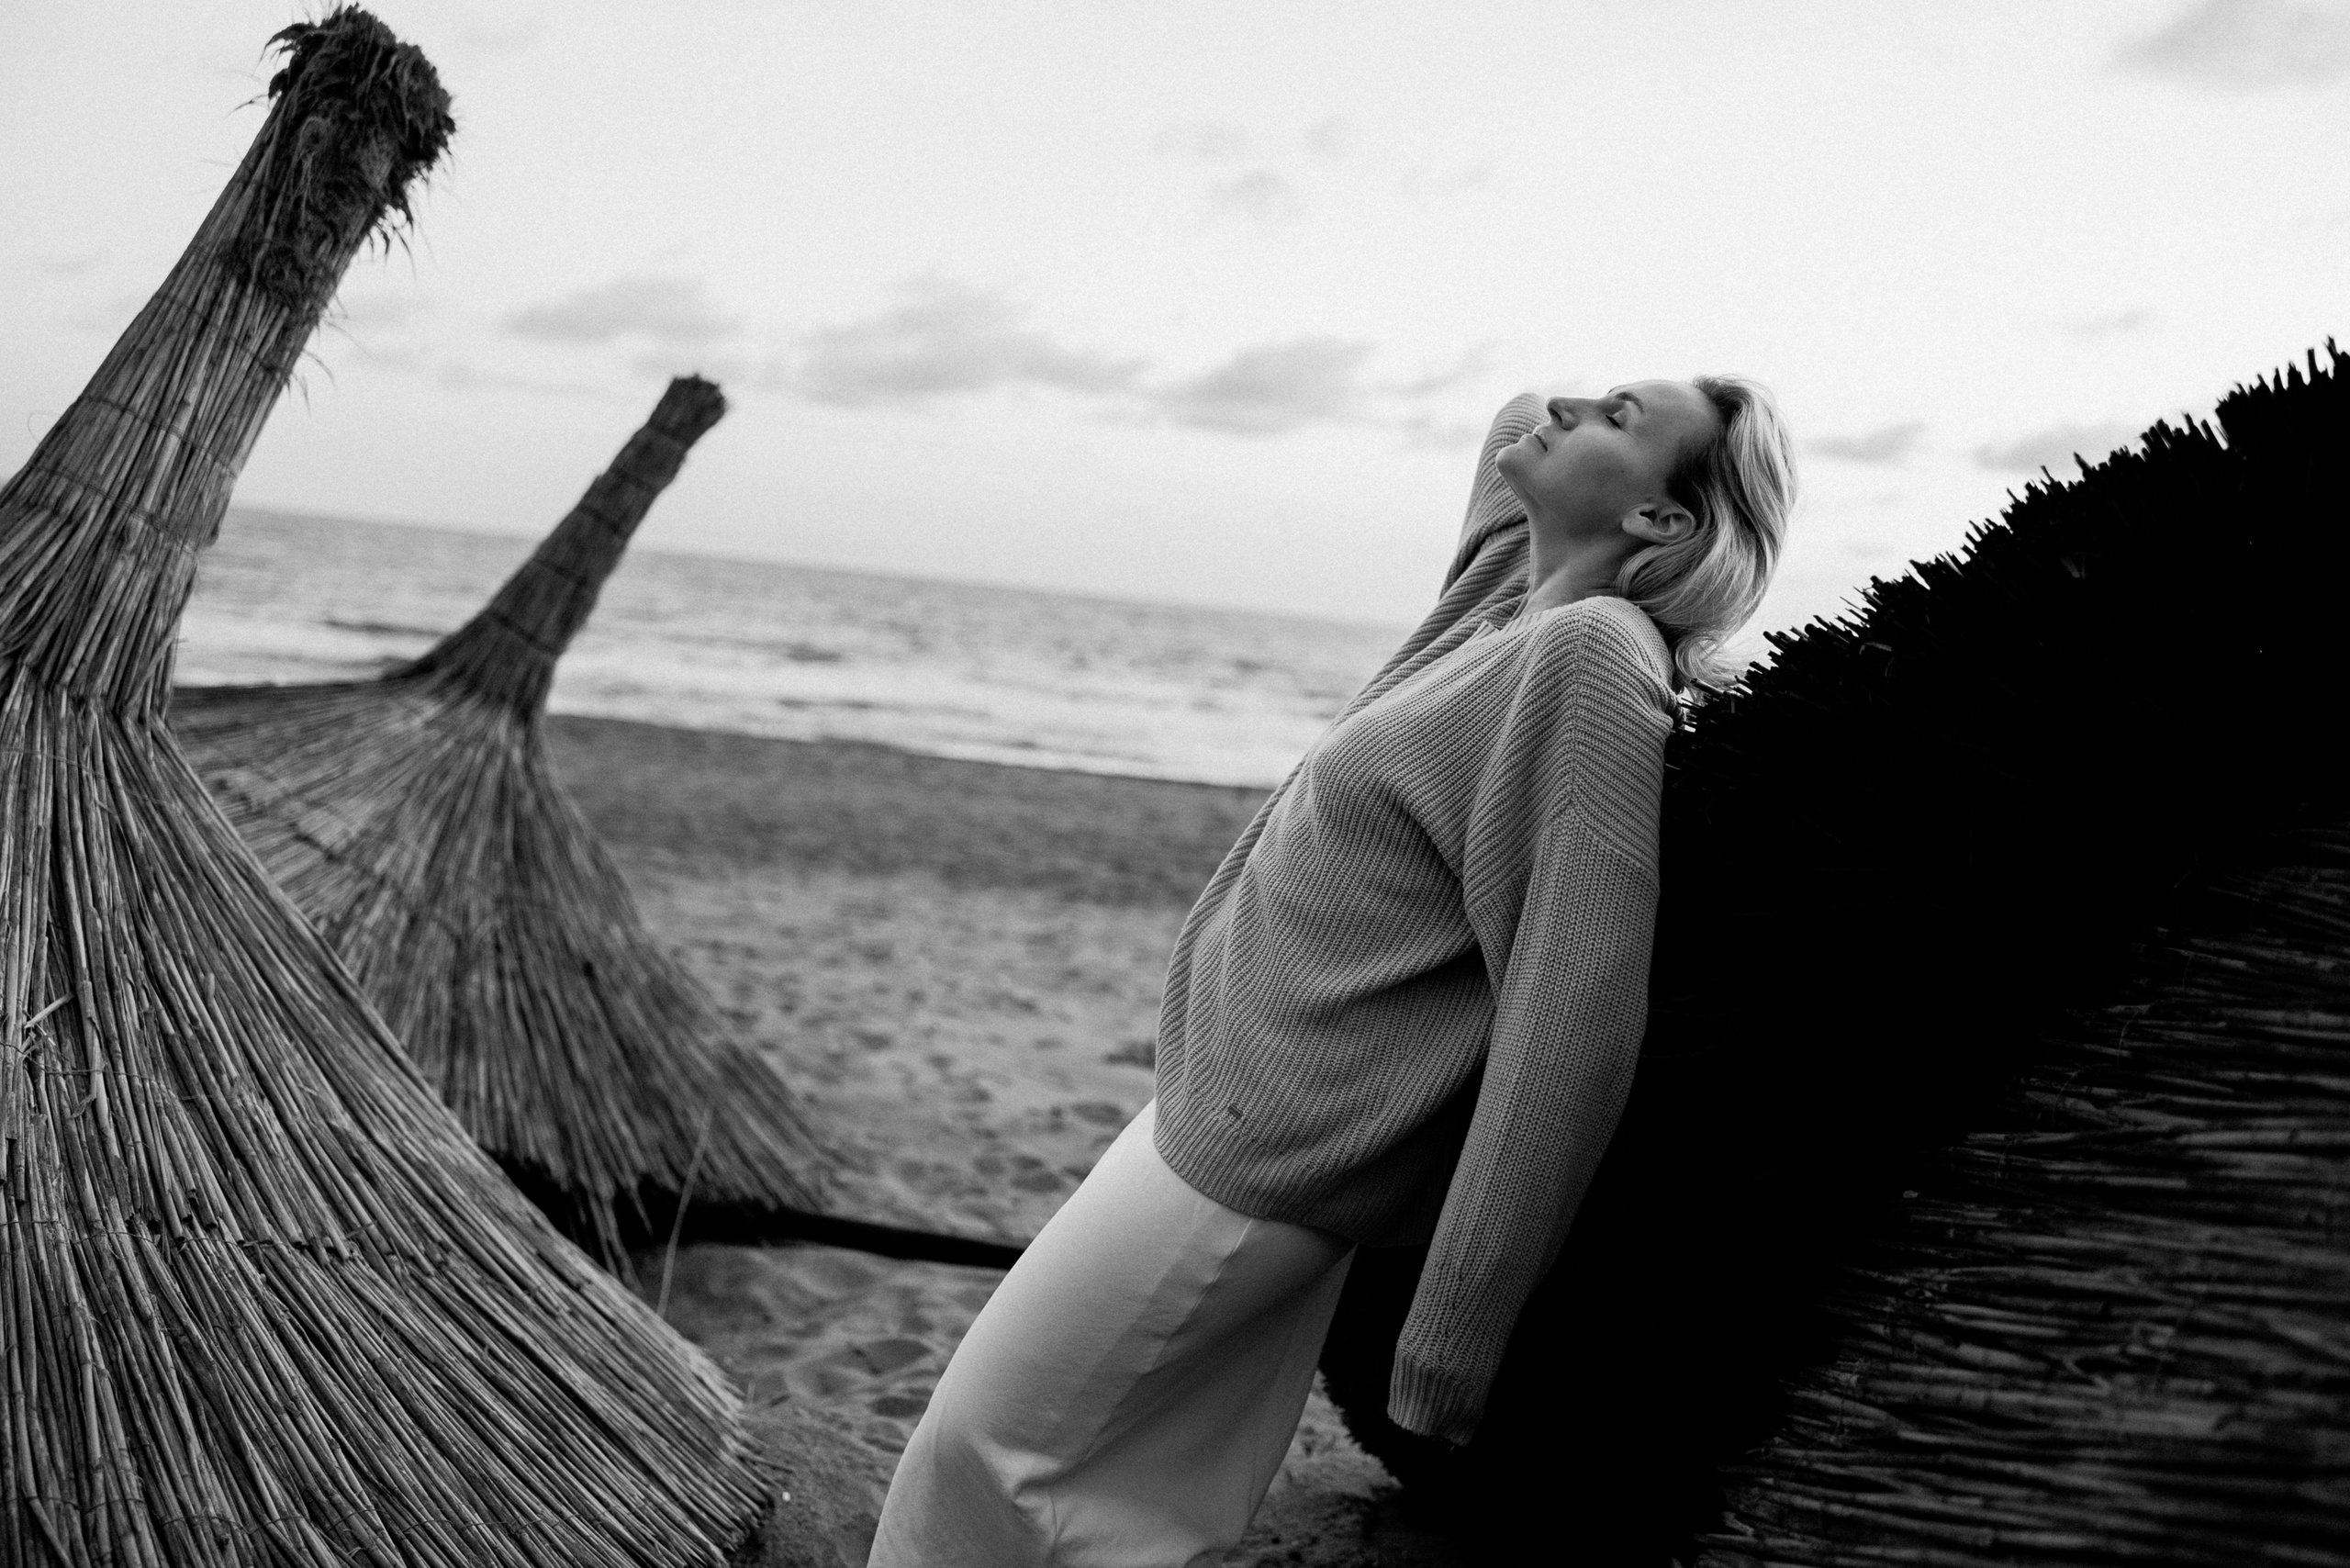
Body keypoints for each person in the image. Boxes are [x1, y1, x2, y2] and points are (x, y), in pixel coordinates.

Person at [869, 377, 1798, 1566]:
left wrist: (1458, 1321)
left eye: (1619, 417)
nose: (1571, 404)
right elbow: (1517, 418)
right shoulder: (1504, 601)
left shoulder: (1588, 661)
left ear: (1664, 525)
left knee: (981, 1450)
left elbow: (1575, 1004)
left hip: (1264, 1163)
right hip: (1231, 1113)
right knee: (1141, 1512)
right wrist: (1603, 434)